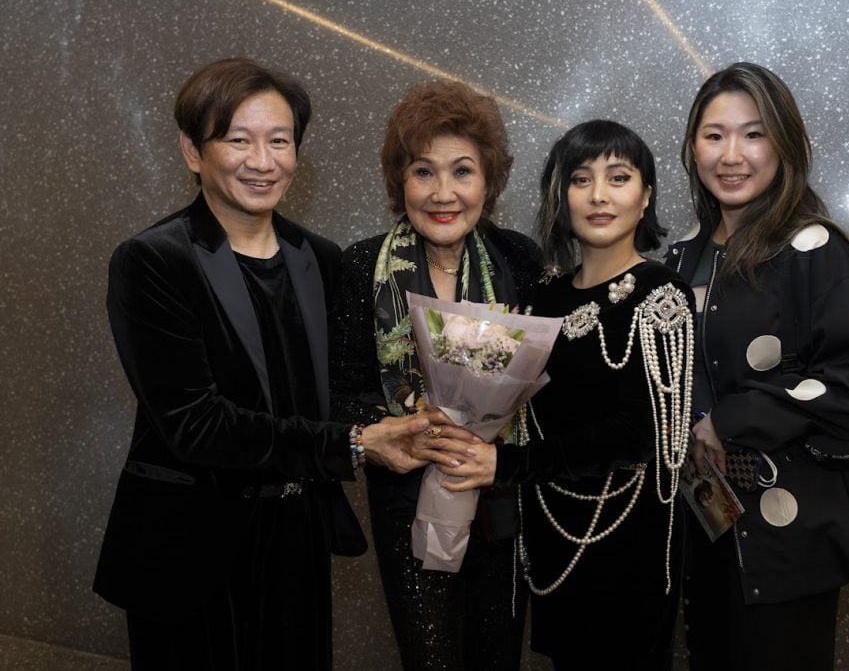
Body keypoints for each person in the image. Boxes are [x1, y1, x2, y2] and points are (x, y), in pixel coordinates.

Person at [93, 58, 450, 670]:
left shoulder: (322, 259)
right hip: (189, 546)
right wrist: (357, 443)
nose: (263, 161)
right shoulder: (153, 262)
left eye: (280, 141)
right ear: (192, 151)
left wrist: (426, 416)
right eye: (239, 140)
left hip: (295, 537)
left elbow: (338, 392)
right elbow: (196, 424)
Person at [664, 62, 849, 670]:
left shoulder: (815, 248)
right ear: (693, 146)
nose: (732, 155)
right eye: (714, 135)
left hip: (787, 540)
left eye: (754, 134)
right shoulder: (681, 258)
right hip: (703, 527)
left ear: (784, 145)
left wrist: (735, 417)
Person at [436, 120, 696, 669]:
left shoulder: (661, 293)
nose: (599, 195)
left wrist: (505, 464)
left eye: (618, 178)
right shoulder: (543, 297)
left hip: (629, 545)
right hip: (551, 541)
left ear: (645, 196)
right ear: (561, 196)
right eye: (581, 179)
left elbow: (638, 433)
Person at [330, 79, 542, 670]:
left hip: (500, 502)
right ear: (400, 181)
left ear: (488, 181)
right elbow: (337, 393)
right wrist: (396, 429)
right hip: (406, 505)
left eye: (462, 171)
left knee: (497, 655)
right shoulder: (360, 266)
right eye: (423, 171)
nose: (443, 192)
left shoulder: (519, 259)